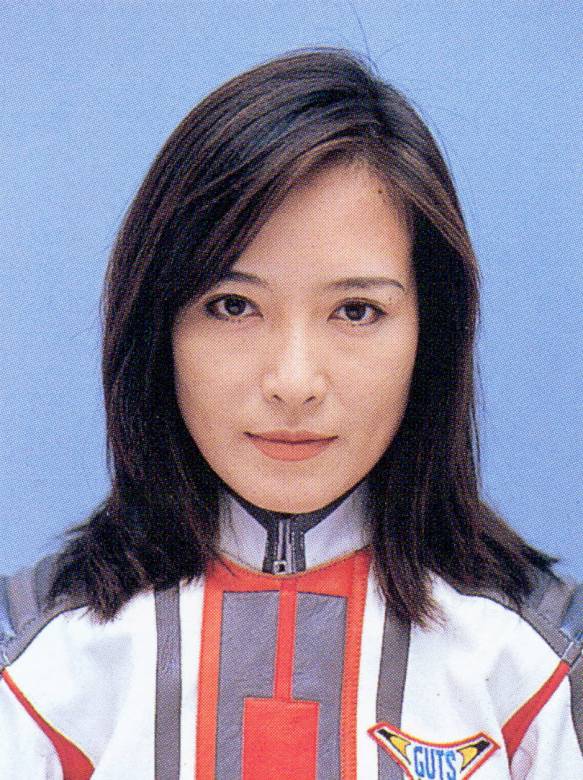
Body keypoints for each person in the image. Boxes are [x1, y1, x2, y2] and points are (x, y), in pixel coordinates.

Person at [0, 47, 581, 780]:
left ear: (430, 334)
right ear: (156, 328)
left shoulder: (538, 664)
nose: (294, 383)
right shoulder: (38, 664)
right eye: (233, 305)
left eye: (356, 310)